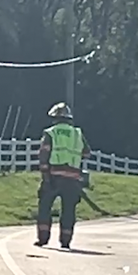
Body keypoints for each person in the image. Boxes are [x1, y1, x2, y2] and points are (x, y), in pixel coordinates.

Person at [35, 102, 91, 250]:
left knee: (45, 207)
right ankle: (65, 241)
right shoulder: (77, 133)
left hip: (53, 176)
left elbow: (44, 153)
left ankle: (43, 239)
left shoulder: (51, 132)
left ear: (55, 118)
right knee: (69, 210)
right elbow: (86, 153)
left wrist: (45, 174)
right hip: (73, 178)